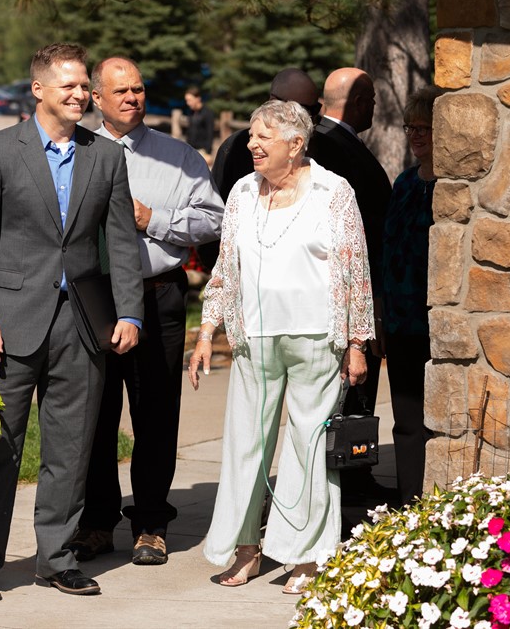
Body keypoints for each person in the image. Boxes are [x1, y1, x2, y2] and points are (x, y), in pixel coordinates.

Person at [0, 43, 144, 601]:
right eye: (70, 86)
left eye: (85, 86)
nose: (81, 95)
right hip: (9, 326)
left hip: (82, 326)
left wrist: (129, 310)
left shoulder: (105, 156)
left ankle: (56, 557)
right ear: (38, 89)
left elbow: (121, 244)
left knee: (72, 448)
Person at [188, 100, 374, 595]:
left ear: (296, 144)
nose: (252, 144)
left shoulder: (334, 192)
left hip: (317, 335)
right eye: (251, 134)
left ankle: (305, 556)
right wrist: (207, 332)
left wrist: (357, 343)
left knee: (308, 448)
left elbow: (356, 272)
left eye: (263, 136)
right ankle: (245, 549)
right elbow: (226, 268)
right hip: (254, 340)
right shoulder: (243, 192)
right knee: (246, 444)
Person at [65, 57, 223, 566]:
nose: (132, 98)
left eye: (138, 89)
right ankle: (96, 522)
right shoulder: (75, 151)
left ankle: (152, 522)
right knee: (95, 411)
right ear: (96, 98)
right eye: (121, 91)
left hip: (158, 296)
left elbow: (213, 219)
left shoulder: (176, 156)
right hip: (95, 299)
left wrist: (154, 219)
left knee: (155, 412)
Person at [306, 67, 392, 504]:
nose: (375, 107)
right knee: (349, 396)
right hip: (344, 296)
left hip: (354, 292)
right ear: (357, 102)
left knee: (357, 395)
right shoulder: (328, 146)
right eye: (372, 99)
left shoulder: (337, 142)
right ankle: (347, 485)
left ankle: (355, 477)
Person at [382, 86, 443, 507]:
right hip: (402, 323)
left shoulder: (453, 187)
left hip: (438, 323)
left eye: (425, 127)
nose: (416, 135)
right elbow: (387, 254)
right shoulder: (404, 183)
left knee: (440, 421)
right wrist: (381, 319)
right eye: (410, 127)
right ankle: (410, 505)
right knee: (406, 422)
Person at [199, 68, 320, 271]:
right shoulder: (235, 151)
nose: (310, 117)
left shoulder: (322, 164)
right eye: (302, 108)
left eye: (314, 110)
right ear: (273, 101)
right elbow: (217, 218)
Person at [184, 86, 215, 156]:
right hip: (190, 149)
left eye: (189, 100)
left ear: (198, 99)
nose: (187, 103)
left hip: (202, 151)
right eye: (186, 100)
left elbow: (210, 133)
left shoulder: (207, 113)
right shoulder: (191, 112)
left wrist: (208, 152)